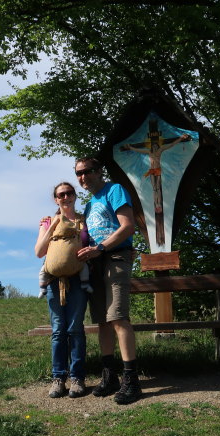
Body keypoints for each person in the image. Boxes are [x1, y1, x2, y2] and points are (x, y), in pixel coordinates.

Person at [75, 158, 143, 405]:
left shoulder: (114, 190)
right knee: (102, 321)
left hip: (115, 257)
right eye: (78, 174)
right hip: (96, 263)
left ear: (99, 171)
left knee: (118, 317)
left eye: (87, 171)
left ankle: (131, 381)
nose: (83, 177)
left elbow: (127, 227)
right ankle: (109, 376)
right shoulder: (89, 204)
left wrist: (100, 247)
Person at [35, 182, 89, 398]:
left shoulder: (84, 221)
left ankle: (77, 378)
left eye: (69, 193)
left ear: (75, 196)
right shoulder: (47, 221)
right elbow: (39, 252)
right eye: (61, 194)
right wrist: (52, 226)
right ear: (56, 199)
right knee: (58, 331)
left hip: (78, 280)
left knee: (75, 329)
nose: (65, 197)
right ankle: (58, 378)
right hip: (54, 282)